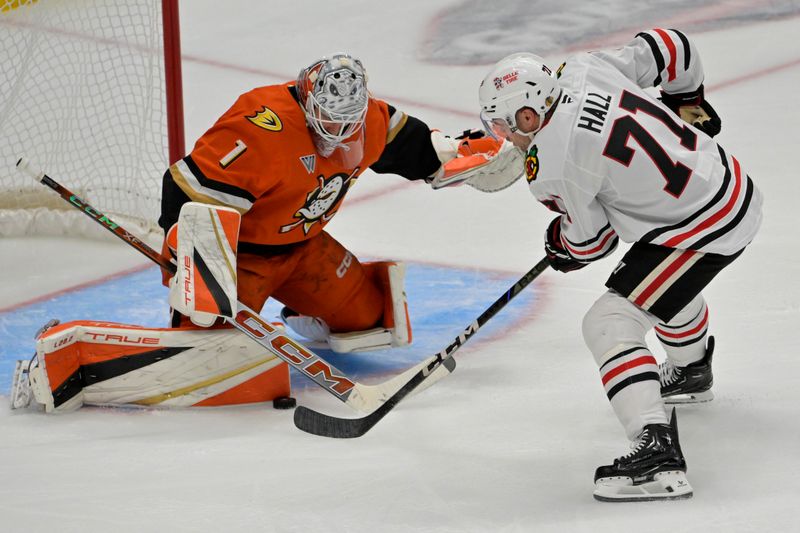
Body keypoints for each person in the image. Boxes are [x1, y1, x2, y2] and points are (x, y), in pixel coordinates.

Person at [11, 53, 511, 414]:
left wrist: (461, 155)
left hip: (304, 248)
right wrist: (190, 257)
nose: (340, 135)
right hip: (241, 255)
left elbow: (415, 145)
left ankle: (298, 311)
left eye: (349, 123)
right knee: (210, 355)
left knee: (371, 321)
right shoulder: (260, 127)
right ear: (310, 103)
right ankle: (65, 354)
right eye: (329, 122)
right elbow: (185, 190)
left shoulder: (367, 120)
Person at [476, 29, 762, 501]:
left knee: (609, 322)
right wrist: (685, 98)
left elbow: (592, 242)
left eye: (506, 125)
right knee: (656, 286)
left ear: (528, 113)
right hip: (726, 182)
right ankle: (690, 371)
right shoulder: (583, 68)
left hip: (703, 226)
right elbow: (673, 46)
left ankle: (655, 456)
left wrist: (559, 242)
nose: (506, 136)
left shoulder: (552, 163)